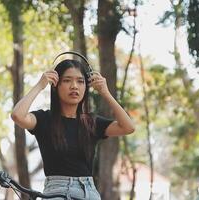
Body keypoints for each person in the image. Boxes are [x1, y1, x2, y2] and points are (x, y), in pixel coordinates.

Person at [11, 58, 135, 200]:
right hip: (56, 191)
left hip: (89, 192)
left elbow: (128, 127)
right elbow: (17, 115)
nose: (74, 86)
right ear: (56, 85)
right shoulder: (44, 119)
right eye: (67, 80)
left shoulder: (91, 122)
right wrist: (40, 85)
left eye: (80, 81)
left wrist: (105, 92)